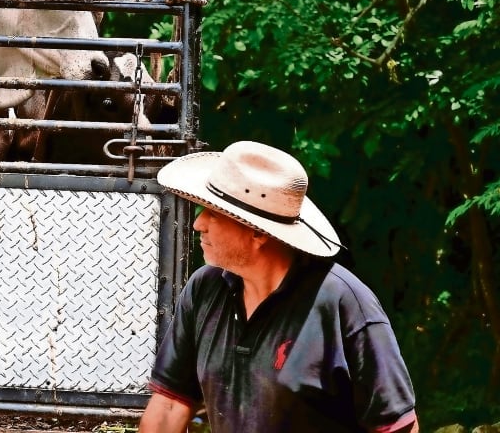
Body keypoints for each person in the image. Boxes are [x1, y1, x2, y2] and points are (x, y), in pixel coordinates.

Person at [139, 140, 419, 433]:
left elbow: (397, 428)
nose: (199, 224)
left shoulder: (344, 304)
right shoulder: (204, 289)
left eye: (214, 213)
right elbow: (170, 405)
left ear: (257, 232)